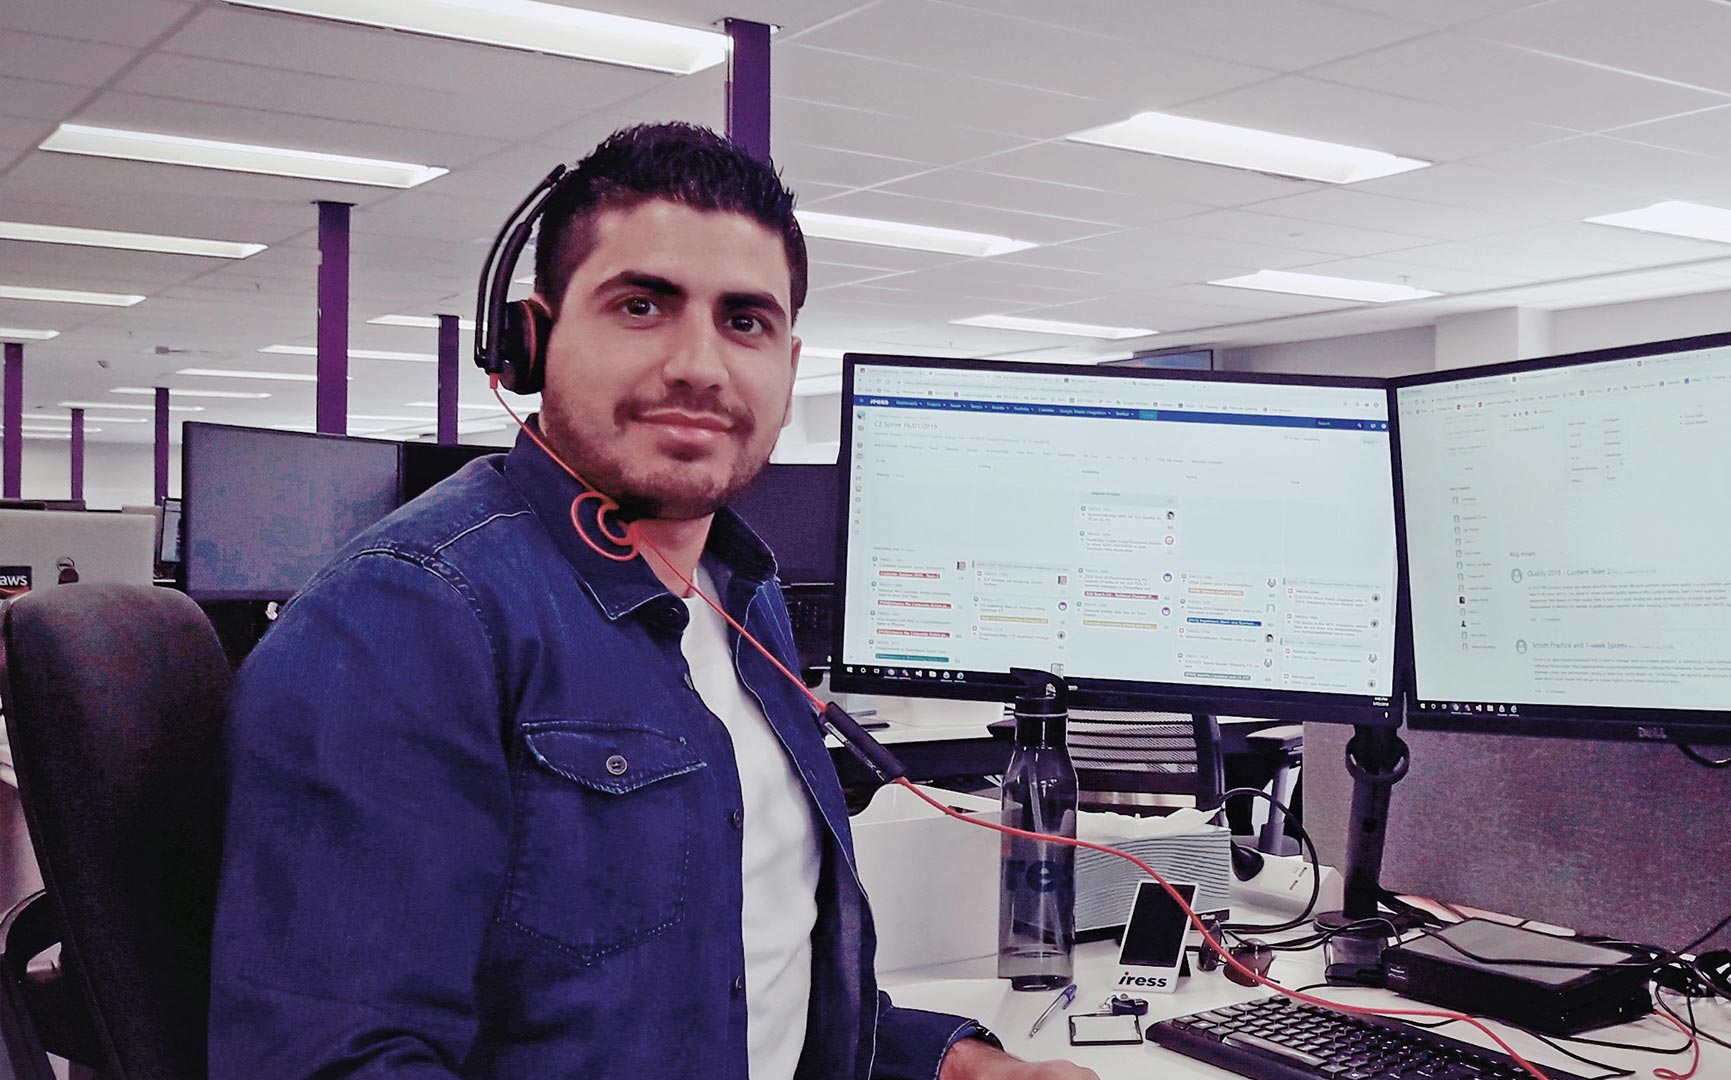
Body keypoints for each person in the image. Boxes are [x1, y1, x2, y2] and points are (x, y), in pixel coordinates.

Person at [210, 123, 1096, 1080]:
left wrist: (954, 1065)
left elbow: (755, 969)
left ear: (789, 364)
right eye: (642, 305)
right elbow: (330, 1059)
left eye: (745, 321)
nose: (700, 367)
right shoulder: (409, 620)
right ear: (532, 341)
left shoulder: (741, 596)